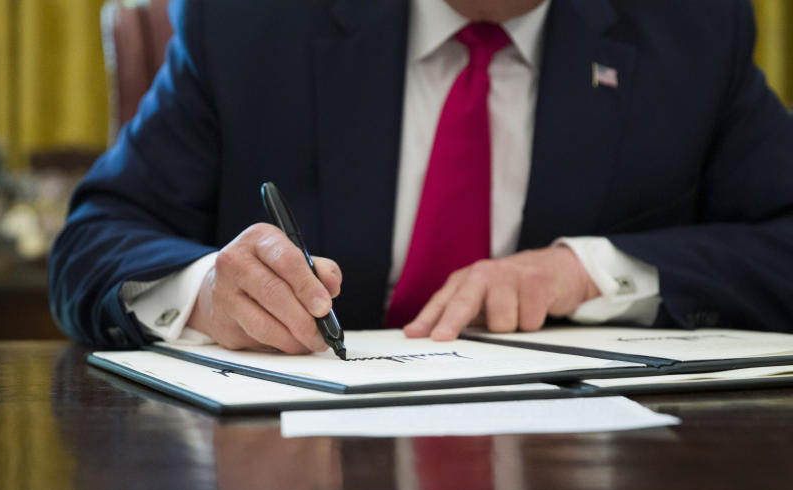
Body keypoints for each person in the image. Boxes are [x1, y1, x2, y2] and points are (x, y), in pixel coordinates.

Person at [49, 0, 793, 350]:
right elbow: (95, 239)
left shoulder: (691, 28)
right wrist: (206, 291)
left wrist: (590, 272)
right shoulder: (250, 20)